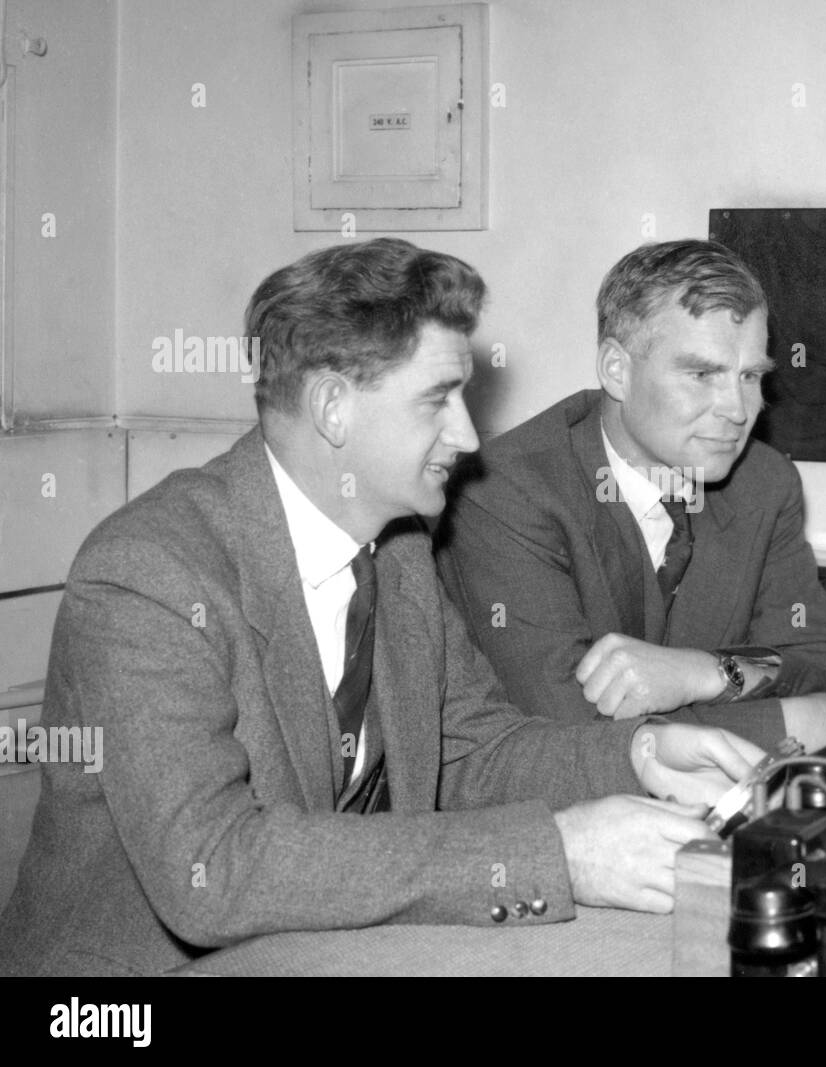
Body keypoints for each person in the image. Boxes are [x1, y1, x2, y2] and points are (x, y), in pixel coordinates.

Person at [0, 238, 764, 977]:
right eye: (439, 398)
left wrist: (638, 754)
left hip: (305, 948)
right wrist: (558, 852)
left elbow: (473, 754)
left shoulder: (398, 555)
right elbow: (216, 867)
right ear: (334, 407)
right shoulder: (149, 575)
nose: (468, 435)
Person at [437, 239, 826, 754]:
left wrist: (708, 673)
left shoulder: (764, 482)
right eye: (702, 374)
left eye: (751, 376)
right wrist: (804, 724)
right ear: (616, 371)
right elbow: (568, 740)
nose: (737, 410)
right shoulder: (504, 492)